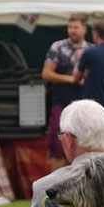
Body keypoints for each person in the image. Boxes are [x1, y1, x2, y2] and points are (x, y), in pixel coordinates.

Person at [42, 14, 91, 172]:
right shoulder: (58, 47)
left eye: (76, 27)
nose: (72, 31)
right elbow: (46, 74)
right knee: (58, 145)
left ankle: (77, 185)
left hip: (84, 108)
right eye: (70, 27)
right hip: (61, 104)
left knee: (83, 146)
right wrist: (71, 79)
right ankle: (52, 186)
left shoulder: (91, 50)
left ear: (84, 29)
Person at [73, 19, 104, 127]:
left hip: (91, 110)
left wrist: (78, 59)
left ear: (95, 34)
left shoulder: (89, 53)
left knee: (90, 142)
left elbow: (75, 78)